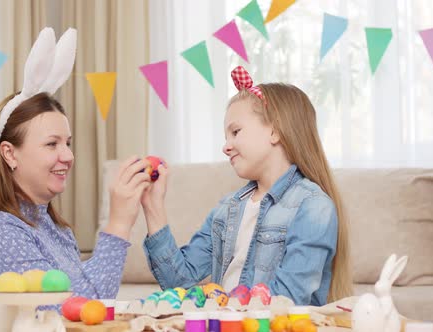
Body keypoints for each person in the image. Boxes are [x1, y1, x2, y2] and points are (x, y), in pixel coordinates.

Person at [0, 27, 152, 316]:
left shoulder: (55, 228)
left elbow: (83, 293)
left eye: (68, 143)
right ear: (10, 153)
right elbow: (79, 313)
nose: (68, 156)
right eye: (52, 144)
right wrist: (119, 223)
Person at [140, 66, 352, 306]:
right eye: (225, 136)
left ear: (275, 131)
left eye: (235, 132)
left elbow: (285, 300)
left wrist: (216, 304)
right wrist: (152, 206)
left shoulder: (313, 207)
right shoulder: (228, 209)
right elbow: (179, 282)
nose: (226, 146)